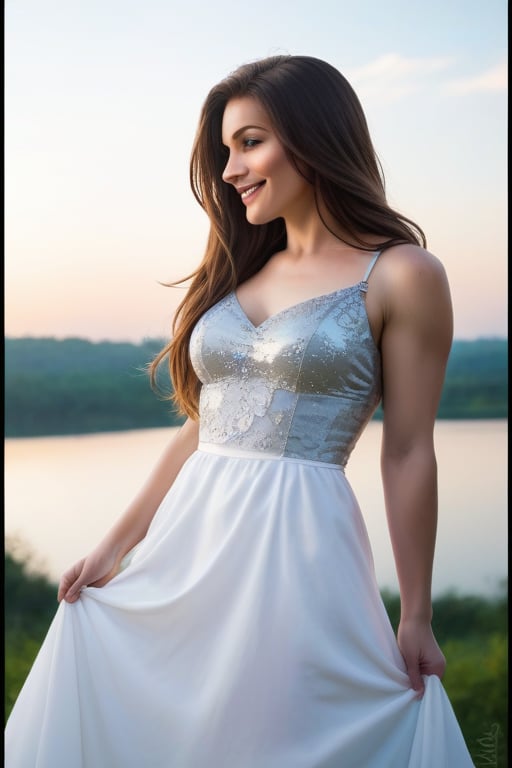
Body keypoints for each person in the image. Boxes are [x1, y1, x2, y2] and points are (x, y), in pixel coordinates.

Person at [5, 55, 475, 767]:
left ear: (315, 138)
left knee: (273, 739)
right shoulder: (243, 269)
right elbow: (203, 430)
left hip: (297, 550)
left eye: (249, 142)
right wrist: (112, 547)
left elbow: (409, 451)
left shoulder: (404, 274)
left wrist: (416, 613)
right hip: (187, 547)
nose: (230, 169)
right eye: (226, 149)